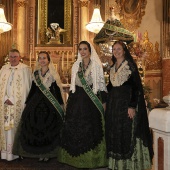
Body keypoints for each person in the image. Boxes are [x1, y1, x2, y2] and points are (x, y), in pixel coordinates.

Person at [57, 41, 108, 169]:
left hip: (91, 101)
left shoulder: (96, 65)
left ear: (90, 50)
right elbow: (73, 86)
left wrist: (104, 103)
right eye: (80, 49)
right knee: (74, 127)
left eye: (85, 49)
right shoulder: (75, 65)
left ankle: (91, 159)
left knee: (91, 128)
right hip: (77, 100)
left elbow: (101, 85)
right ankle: (74, 159)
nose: (83, 51)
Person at [105, 41, 154, 170]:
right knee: (117, 132)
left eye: (119, 49)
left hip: (126, 105)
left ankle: (131, 165)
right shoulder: (112, 67)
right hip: (114, 106)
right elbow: (111, 86)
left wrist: (132, 106)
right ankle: (117, 164)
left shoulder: (129, 66)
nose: (116, 51)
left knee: (127, 132)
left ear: (124, 50)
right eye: (114, 49)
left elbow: (136, 87)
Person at [13, 51, 65, 162]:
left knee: (48, 127)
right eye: (40, 58)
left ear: (48, 60)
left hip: (49, 104)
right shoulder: (35, 74)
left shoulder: (53, 74)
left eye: (44, 58)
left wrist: (60, 104)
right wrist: (27, 103)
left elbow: (56, 91)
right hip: (35, 103)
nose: (42, 60)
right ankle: (35, 152)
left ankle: (47, 153)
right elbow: (32, 90)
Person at [0, 49, 32, 161]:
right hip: (4, 103)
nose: (13, 59)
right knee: (5, 127)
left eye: (15, 56)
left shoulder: (25, 70)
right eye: (11, 56)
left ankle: (17, 152)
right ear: (8, 57)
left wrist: (13, 99)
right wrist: (4, 98)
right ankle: (5, 153)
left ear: (19, 57)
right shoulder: (4, 69)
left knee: (15, 127)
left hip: (17, 103)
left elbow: (26, 88)